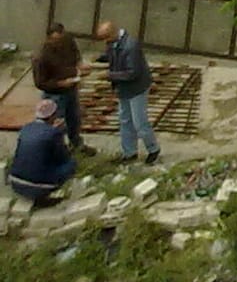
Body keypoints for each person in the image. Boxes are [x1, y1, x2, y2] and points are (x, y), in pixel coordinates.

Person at [94, 17, 158, 163]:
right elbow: (114, 55)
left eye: (105, 38)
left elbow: (132, 72)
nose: (105, 42)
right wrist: (101, 58)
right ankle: (129, 152)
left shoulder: (131, 46)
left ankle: (153, 149)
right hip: (123, 88)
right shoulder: (113, 42)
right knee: (125, 121)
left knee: (139, 122)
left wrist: (109, 75)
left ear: (112, 33)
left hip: (136, 88)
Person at [30, 22, 87, 157]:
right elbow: (40, 83)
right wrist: (60, 84)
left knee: (74, 119)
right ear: (49, 38)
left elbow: (75, 53)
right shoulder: (41, 56)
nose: (59, 43)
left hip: (71, 88)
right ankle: (56, 151)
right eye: (56, 40)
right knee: (55, 125)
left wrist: (79, 64)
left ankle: (76, 143)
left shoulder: (68, 40)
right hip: (54, 95)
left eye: (61, 39)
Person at [6, 98, 76, 205]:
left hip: (15, 181)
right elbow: (63, 158)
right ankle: (48, 194)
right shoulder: (54, 133)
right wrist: (60, 134)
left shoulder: (26, 128)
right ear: (53, 115)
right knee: (71, 164)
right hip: (40, 186)